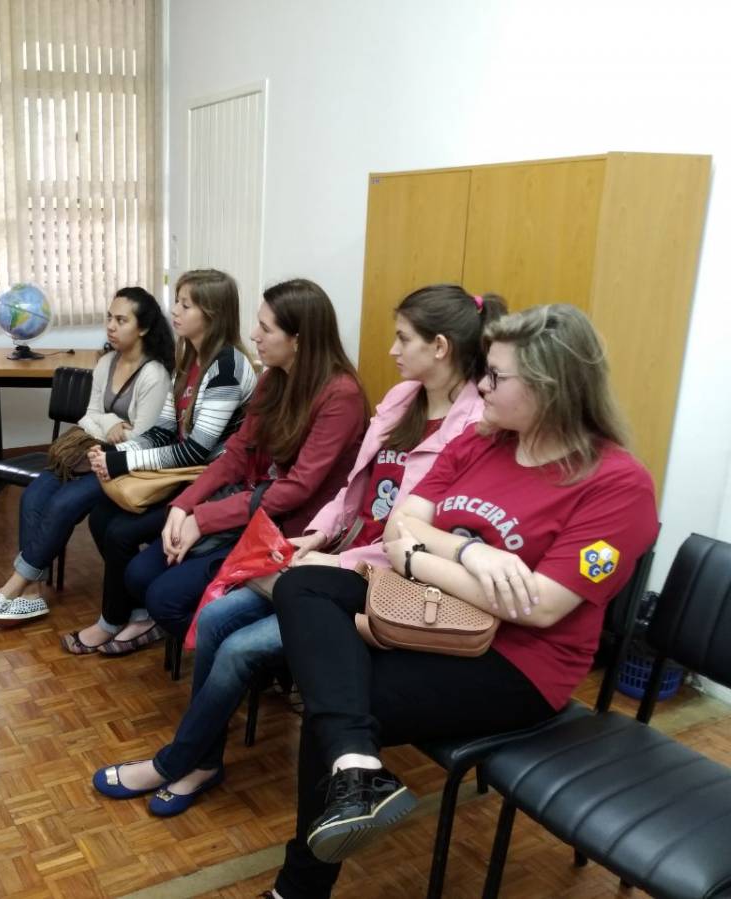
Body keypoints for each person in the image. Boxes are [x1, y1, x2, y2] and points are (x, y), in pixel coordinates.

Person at [266, 304, 658, 898]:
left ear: (550, 386)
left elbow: (539, 607)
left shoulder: (617, 483)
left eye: (496, 376)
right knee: (302, 584)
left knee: (341, 698)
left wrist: (418, 556)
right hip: (427, 608)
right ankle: (357, 767)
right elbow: (400, 525)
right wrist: (473, 553)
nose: (482, 386)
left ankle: (301, 882)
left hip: (518, 663)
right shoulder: (481, 442)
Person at [91, 284, 502, 814]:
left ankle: (179, 761)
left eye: (403, 339)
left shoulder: (472, 428)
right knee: (213, 617)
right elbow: (353, 492)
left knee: (237, 647)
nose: (392, 350)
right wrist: (321, 535)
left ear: (440, 347)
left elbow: (413, 538)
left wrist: (333, 558)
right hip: (334, 556)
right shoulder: (403, 400)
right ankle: (202, 759)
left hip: (385, 581)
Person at [128, 278, 368, 644]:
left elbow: (296, 489)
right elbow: (237, 452)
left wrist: (204, 519)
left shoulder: (341, 396)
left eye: (266, 328)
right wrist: (183, 506)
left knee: (165, 599)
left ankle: (231, 650)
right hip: (252, 510)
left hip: (289, 530)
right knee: (139, 574)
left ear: (298, 339)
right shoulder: (274, 379)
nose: (254, 334)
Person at [62, 269, 257, 654]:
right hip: (182, 476)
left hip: (212, 486)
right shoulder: (188, 359)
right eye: (177, 302)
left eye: (185, 305)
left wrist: (123, 463)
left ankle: (115, 620)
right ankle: (134, 613)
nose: (174, 311)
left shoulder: (227, 368)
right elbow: (165, 431)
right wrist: (117, 453)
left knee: (120, 532)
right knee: (101, 517)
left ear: (212, 314)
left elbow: (196, 451)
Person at [0, 287, 174, 627]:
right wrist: (112, 423)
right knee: (33, 497)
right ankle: (31, 597)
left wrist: (110, 431)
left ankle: (12, 588)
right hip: (86, 451)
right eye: (109, 317)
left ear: (144, 328)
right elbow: (88, 417)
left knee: (63, 505)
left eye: (121, 320)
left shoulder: (154, 375)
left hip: (122, 464)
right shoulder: (106, 362)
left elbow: (143, 439)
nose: (110, 326)